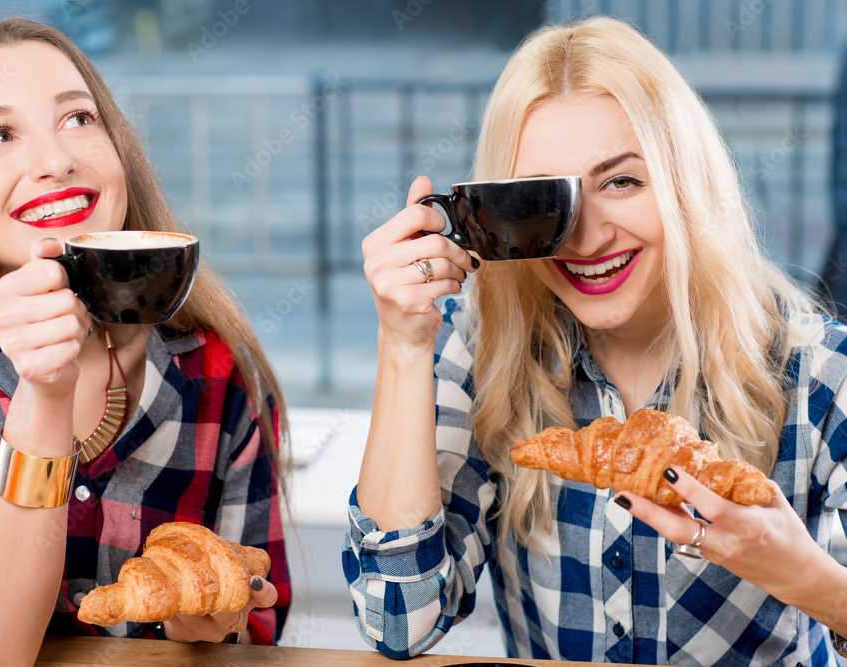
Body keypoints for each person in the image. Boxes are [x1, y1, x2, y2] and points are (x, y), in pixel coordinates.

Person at [343, 15, 847, 667]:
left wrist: (798, 573)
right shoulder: (482, 348)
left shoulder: (821, 370)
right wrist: (403, 344)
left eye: (620, 182)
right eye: (548, 197)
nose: (586, 238)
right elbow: (397, 621)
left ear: (684, 183)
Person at [0, 17, 290, 665]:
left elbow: (260, 619)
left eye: (79, 119)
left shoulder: (216, 362)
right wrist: (45, 392)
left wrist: (217, 622)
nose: (58, 160)